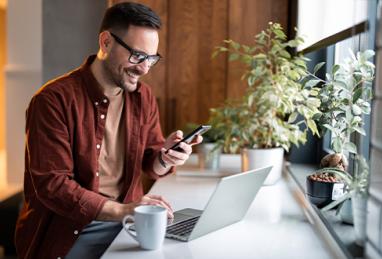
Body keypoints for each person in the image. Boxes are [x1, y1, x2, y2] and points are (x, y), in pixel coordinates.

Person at [14, 2, 202, 258]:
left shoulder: (143, 97)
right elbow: (53, 185)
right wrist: (124, 211)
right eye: (137, 56)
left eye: (151, 59)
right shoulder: (52, 101)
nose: (144, 68)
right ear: (106, 43)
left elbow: (150, 164)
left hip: (127, 223)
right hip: (72, 232)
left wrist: (165, 157)